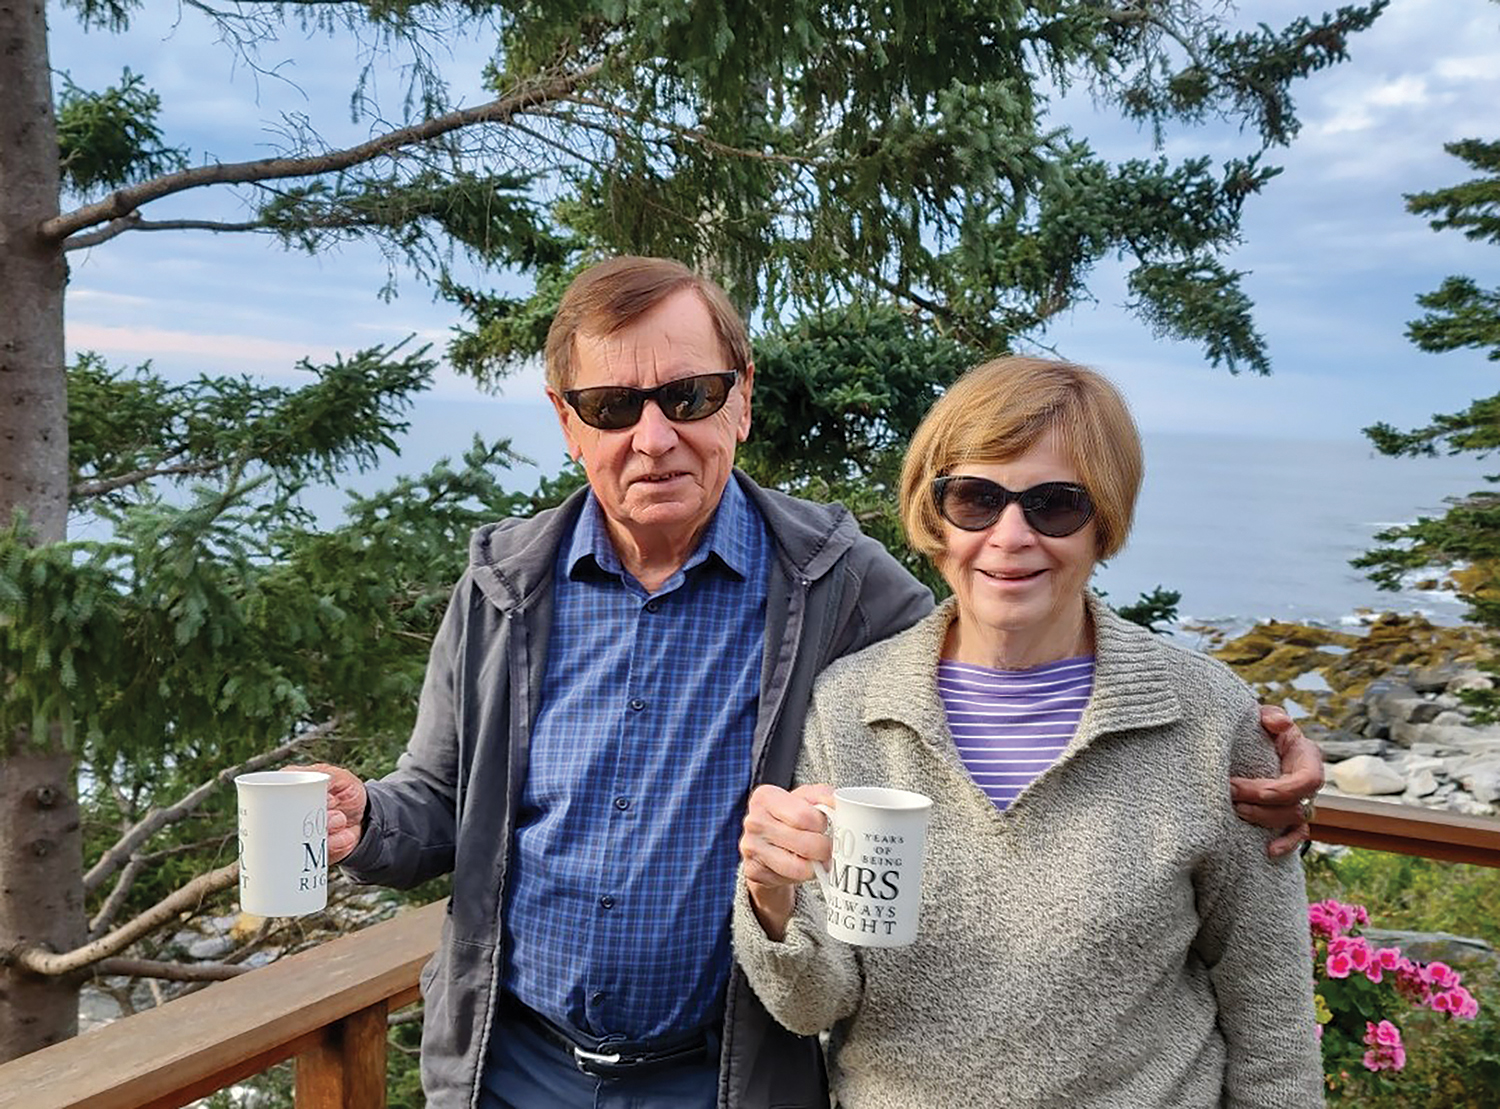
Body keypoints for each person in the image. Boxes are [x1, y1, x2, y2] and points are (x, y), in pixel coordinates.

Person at [304, 257, 1323, 1109]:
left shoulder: (836, 588)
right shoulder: (502, 586)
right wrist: (364, 823)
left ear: (741, 395)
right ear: (567, 422)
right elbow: (436, 805)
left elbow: (1002, 637)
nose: (653, 435)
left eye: (689, 394)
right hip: (512, 1067)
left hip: (730, 1076)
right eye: (613, 404)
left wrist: (1255, 746)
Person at [735, 356, 1324, 1107]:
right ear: (933, 512)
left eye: (1054, 504)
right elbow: (815, 1003)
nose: (1010, 536)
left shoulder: (1203, 718)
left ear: (1102, 520)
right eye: (976, 498)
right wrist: (770, 899)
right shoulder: (854, 705)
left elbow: (1271, 1018)